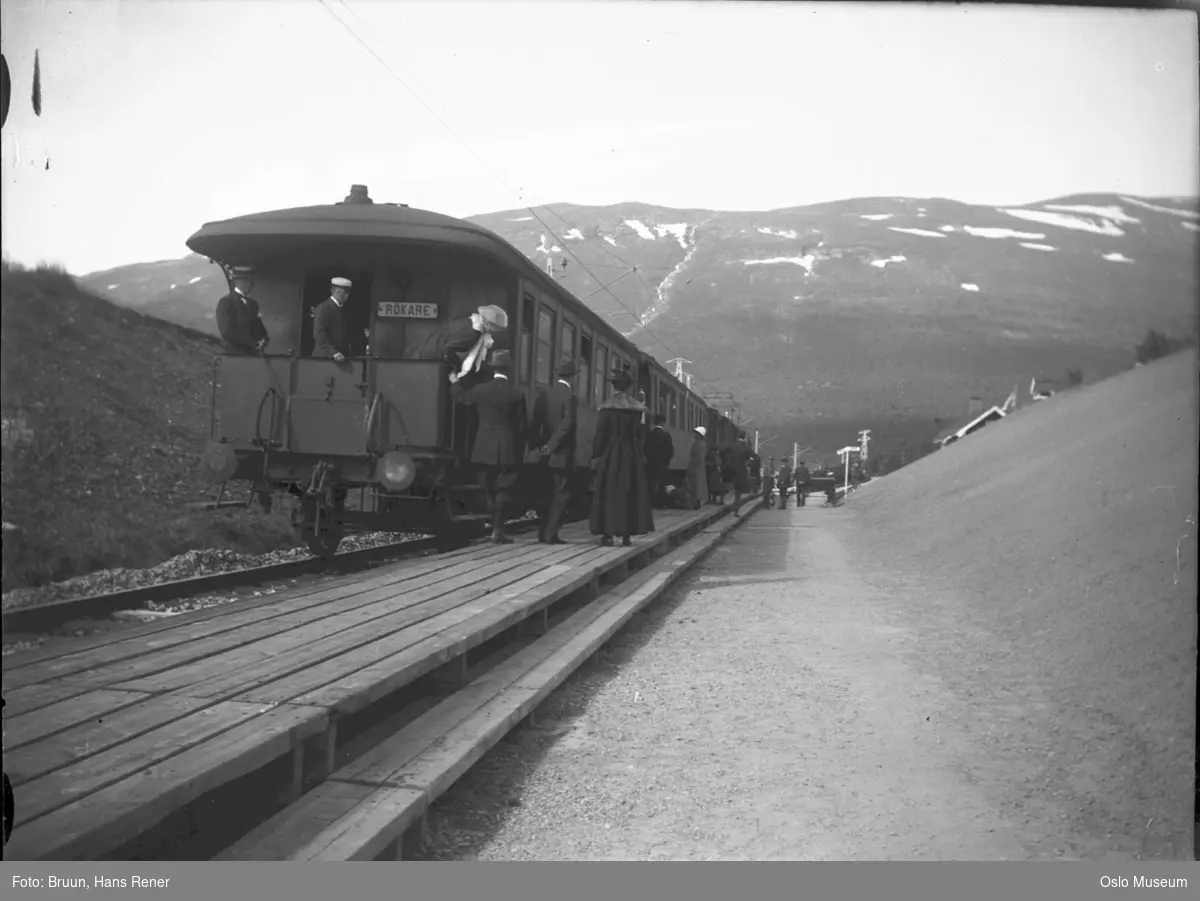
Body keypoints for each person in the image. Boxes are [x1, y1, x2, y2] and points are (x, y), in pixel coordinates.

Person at [452, 349, 527, 544]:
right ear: (508, 370)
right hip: (507, 448)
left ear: (493, 369)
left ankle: (492, 519)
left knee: (487, 488)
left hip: (483, 446)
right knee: (503, 487)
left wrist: (454, 382)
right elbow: (521, 426)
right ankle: (498, 529)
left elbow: (461, 399)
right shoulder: (517, 393)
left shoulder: (480, 391)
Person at [589, 364, 654, 547]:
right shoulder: (637, 408)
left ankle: (608, 534)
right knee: (630, 491)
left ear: (614, 386)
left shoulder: (607, 408)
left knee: (609, 491)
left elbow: (600, 435)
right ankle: (626, 535)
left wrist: (596, 455)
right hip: (632, 452)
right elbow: (641, 434)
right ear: (629, 386)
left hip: (612, 452)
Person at [528, 360, 579, 543]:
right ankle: (551, 534)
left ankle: (542, 533)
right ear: (572, 377)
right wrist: (552, 445)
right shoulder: (570, 396)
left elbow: (535, 422)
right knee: (561, 494)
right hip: (561, 454)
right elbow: (568, 424)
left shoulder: (545, 394)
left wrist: (537, 446)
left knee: (547, 494)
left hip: (544, 453)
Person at [416, 304, 509, 384]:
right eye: (496, 329)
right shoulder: (471, 334)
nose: (495, 332)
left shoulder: (471, 324)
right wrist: (457, 369)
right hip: (432, 362)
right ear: (488, 324)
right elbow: (447, 350)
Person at [215, 266, 269, 354]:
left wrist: (263, 339)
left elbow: (258, 326)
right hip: (234, 354)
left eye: (250, 281)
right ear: (237, 282)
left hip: (253, 354)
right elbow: (227, 331)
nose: (249, 284)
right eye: (246, 281)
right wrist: (251, 342)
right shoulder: (226, 302)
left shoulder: (253, 304)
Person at [313, 276, 353, 360]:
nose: (346, 296)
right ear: (335, 291)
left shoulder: (343, 310)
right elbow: (320, 335)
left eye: (348, 293)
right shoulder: (324, 308)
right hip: (324, 358)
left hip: (340, 357)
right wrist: (333, 352)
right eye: (344, 293)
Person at [643, 413, 674, 508]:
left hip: (651, 463)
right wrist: (667, 461)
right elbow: (670, 450)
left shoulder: (650, 435)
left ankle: (651, 502)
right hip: (663, 464)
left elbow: (645, 449)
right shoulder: (666, 435)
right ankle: (660, 503)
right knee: (662, 483)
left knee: (651, 483)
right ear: (663, 423)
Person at [725, 432, 754, 514]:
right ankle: (736, 507)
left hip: (731, 471)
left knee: (730, 488)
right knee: (738, 491)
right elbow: (754, 457)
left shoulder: (732, 446)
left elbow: (724, 452)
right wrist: (746, 463)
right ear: (744, 437)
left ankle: (732, 505)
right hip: (741, 471)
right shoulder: (746, 447)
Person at [685, 426, 709, 510]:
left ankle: (695, 503)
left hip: (696, 468)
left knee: (694, 485)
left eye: (696, 433)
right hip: (700, 467)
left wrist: (690, 468)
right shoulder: (703, 444)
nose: (694, 435)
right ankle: (696, 502)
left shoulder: (697, 444)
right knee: (698, 486)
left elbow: (696, 458)